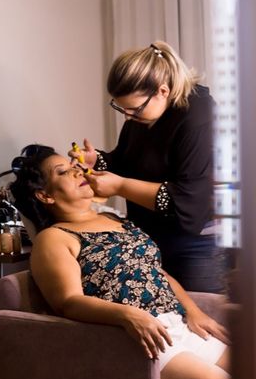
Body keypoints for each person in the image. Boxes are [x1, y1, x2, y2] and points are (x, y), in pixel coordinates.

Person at [11, 144, 230, 379]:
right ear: (45, 196)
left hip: (176, 324)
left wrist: (194, 312)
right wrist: (130, 315)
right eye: (63, 172)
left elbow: (157, 272)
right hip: (138, 338)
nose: (77, 171)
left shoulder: (117, 219)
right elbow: (67, 302)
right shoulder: (55, 238)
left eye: (74, 165)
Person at [69, 41, 223, 293]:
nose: (127, 116)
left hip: (194, 243)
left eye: (133, 108)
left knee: (201, 321)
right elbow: (128, 161)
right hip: (149, 236)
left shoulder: (199, 118)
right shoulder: (144, 115)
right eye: (121, 107)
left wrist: (119, 185)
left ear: (163, 91)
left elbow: (185, 200)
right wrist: (97, 160)